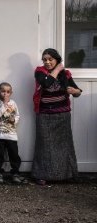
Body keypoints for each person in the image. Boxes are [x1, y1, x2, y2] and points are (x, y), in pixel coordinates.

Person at [32, 48, 82, 186]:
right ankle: (41, 175)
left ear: (56, 59)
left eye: (50, 59)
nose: (47, 62)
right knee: (44, 146)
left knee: (64, 146)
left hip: (62, 115)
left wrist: (75, 91)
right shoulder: (39, 72)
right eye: (45, 59)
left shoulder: (66, 74)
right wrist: (58, 68)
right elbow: (46, 83)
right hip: (45, 115)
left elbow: (77, 91)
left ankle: (67, 174)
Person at [0, 82, 24, 184]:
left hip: (11, 135)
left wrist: (14, 120)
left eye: (7, 92)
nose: (5, 94)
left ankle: (15, 173)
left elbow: (17, 115)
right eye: (3, 91)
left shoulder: (13, 103)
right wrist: (5, 103)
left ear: (11, 93)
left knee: (14, 155)